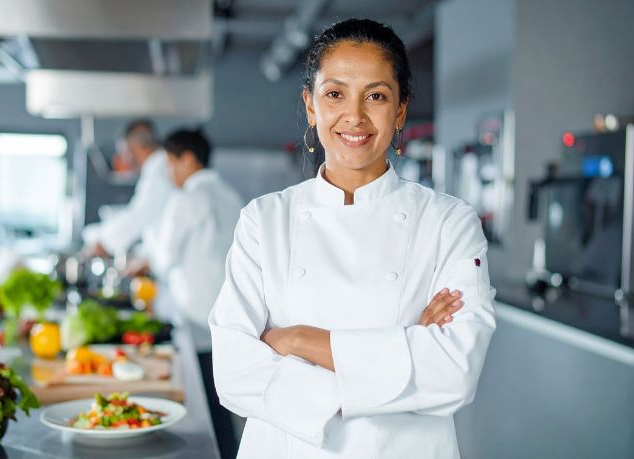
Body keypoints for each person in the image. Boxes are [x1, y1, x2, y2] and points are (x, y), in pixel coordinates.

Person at [209, 19, 497, 459]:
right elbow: (232, 371)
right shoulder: (263, 220)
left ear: (400, 110)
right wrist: (399, 353)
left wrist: (297, 341)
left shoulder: (449, 223)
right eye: (335, 94)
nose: (355, 116)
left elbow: (454, 373)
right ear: (310, 105)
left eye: (377, 96)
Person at [128, 128, 243, 458]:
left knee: (203, 400)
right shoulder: (228, 194)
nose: (168, 173)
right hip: (225, 313)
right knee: (222, 402)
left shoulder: (187, 198)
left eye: (170, 163)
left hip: (194, 314)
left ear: (189, 160)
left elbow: (163, 257)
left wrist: (141, 261)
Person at [82, 119, 175, 257]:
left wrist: (104, 243)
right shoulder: (155, 167)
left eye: (124, 151)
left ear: (136, 146)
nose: (122, 159)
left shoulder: (159, 169)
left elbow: (140, 214)